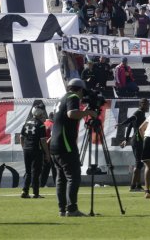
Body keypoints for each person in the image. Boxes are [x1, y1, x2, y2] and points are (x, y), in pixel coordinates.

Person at [49, 79, 97, 217]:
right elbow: (71, 114)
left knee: (61, 178)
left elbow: (68, 117)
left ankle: (62, 209)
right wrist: (88, 113)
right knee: (73, 176)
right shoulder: (73, 96)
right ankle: (72, 209)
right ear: (80, 90)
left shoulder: (61, 98)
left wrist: (83, 112)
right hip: (66, 144)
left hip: (55, 144)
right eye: (83, 93)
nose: (82, 97)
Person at [20, 104, 50, 199]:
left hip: (26, 149)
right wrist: (47, 153)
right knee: (36, 172)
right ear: (40, 113)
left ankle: (25, 191)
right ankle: (35, 193)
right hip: (36, 150)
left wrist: (24, 147)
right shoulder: (41, 125)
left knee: (28, 172)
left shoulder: (26, 123)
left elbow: (21, 137)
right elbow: (43, 141)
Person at [119, 98, 149, 192]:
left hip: (136, 140)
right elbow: (131, 119)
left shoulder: (141, 114)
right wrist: (122, 123)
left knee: (140, 163)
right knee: (138, 163)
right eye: (145, 104)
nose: (147, 105)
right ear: (141, 105)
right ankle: (132, 186)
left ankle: (138, 185)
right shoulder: (138, 113)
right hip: (137, 140)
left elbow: (130, 126)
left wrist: (126, 140)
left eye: (147, 104)